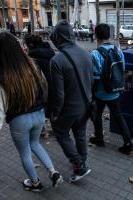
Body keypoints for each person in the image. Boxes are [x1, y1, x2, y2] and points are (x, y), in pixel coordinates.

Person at [0, 32, 63, 192]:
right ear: (18, 46)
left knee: (25, 153)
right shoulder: (32, 64)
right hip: (38, 115)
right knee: (36, 144)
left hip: (19, 120)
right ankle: (53, 172)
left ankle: (35, 184)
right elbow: (44, 86)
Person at [49, 20, 93, 182]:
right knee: (80, 134)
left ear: (58, 37)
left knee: (61, 132)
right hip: (86, 104)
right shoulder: (87, 53)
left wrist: (55, 113)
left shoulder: (57, 60)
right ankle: (82, 160)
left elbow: (58, 94)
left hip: (70, 107)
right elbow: (91, 81)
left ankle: (80, 166)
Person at [90, 23, 133, 155]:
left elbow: (95, 75)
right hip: (115, 92)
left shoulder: (95, 53)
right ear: (109, 36)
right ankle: (128, 143)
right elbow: (123, 71)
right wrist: (123, 89)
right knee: (118, 116)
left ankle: (99, 139)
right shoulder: (118, 50)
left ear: (96, 36)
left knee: (97, 115)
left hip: (100, 93)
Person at [23, 34, 55, 118]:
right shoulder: (50, 52)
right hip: (55, 88)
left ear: (30, 45)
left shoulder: (33, 57)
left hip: (43, 92)